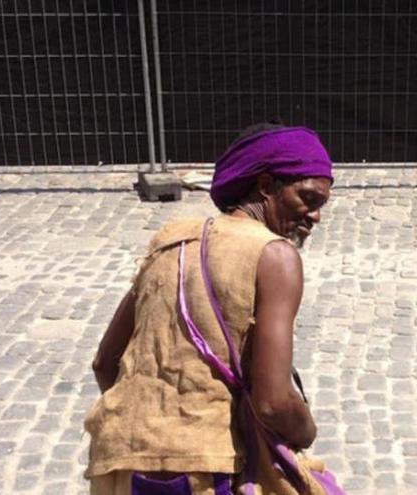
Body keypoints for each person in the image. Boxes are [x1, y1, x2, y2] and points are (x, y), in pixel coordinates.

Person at [85, 124, 342, 494]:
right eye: (308, 198)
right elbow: (272, 402)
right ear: (267, 186)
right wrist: (305, 430)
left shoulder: (171, 240)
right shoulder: (274, 256)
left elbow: (105, 362)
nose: (315, 215)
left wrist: (151, 429)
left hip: (120, 467)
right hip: (206, 471)